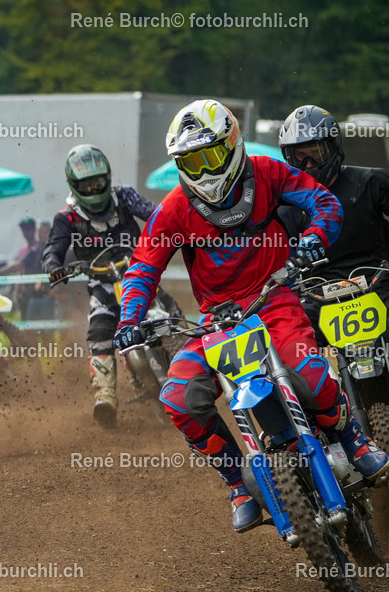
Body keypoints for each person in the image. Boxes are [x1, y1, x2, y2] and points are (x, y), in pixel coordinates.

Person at [113, 99, 389, 533]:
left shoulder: (267, 173)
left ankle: (354, 440)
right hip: (216, 321)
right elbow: (144, 265)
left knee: (311, 373)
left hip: (273, 299)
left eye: (210, 156)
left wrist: (316, 237)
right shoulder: (173, 209)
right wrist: (129, 319)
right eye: (190, 161)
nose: (203, 171)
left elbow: (324, 202)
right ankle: (237, 484)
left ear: (232, 143)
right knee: (179, 399)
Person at [43, 144, 182, 427]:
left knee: (170, 313)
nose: (94, 190)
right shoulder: (66, 218)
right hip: (103, 284)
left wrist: (170, 226)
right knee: (98, 332)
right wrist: (54, 267)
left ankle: (190, 366)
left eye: (98, 182)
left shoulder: (124, 196)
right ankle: (105, 395)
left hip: (140, 274)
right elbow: (53, 249)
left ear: (107, 177)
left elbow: (155, 214)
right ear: (75, 185)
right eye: (87, 185)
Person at [277, 105, 389, 324]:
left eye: (315, 153)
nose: (308, 164)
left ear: (334, 148)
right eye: (299, 156)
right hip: (318, 300)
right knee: (285, 334)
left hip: (379, 287)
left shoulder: (372, 183)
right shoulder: (285, 209)